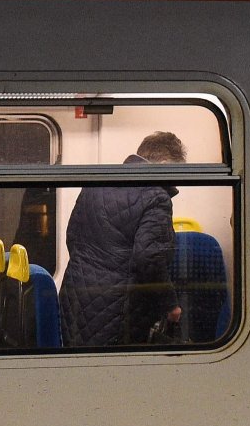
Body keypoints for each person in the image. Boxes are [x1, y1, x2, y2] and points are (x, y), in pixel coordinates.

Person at [59, 131, 185, 347]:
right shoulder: (156, 197)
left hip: (75, 296)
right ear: (164, 163)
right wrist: (170, 304)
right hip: (119, 308)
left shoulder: (97, 182)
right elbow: (149, 259)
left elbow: (73, 236)